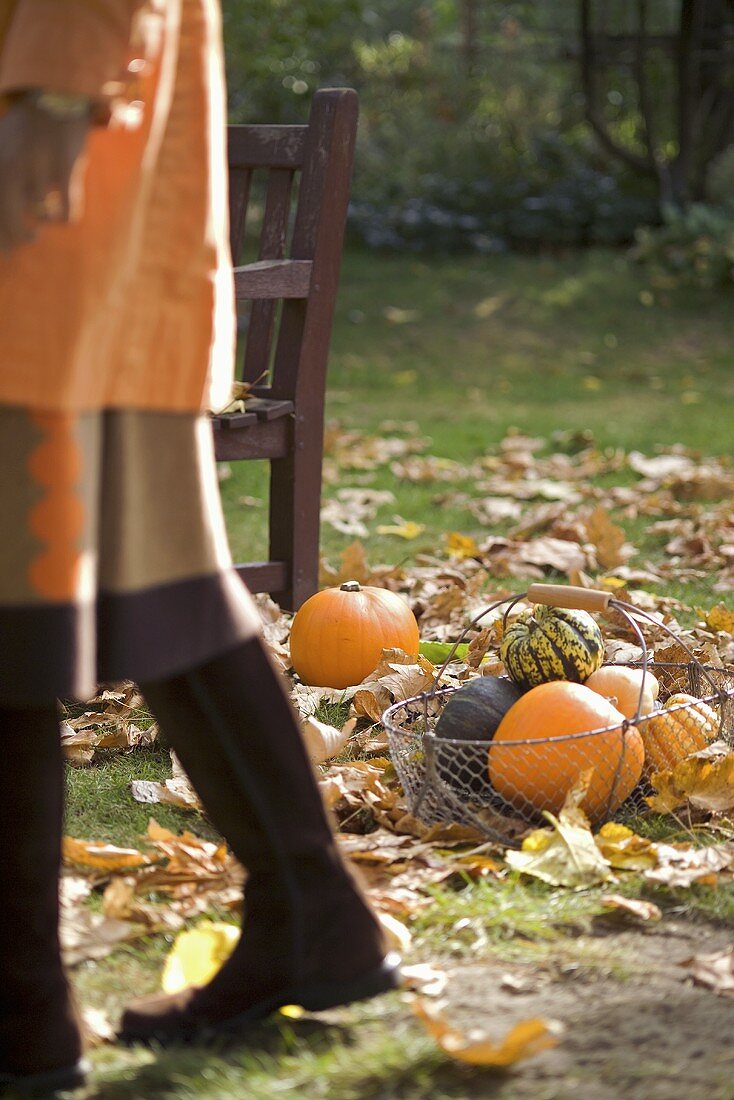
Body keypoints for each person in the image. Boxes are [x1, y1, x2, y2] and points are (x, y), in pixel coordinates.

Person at [0, 2, 398, 1093]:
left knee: (36, 597)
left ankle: (21, 1006)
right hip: (92, 213)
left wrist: (54, 86)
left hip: (61, 200)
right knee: (158, 575)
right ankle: (309, 914)